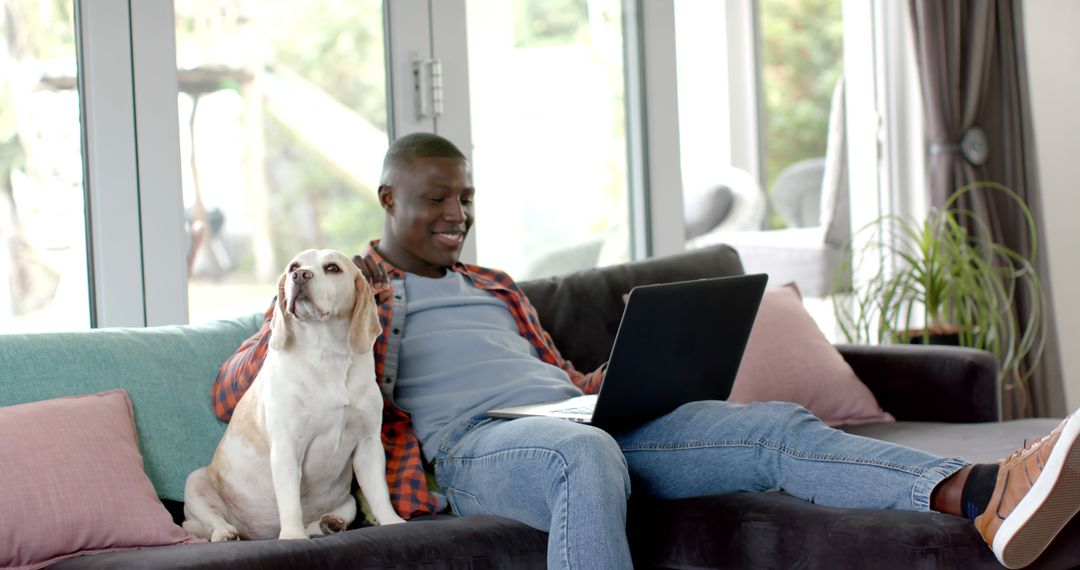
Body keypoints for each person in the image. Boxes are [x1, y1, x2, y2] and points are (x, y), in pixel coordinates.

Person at [212, 132, 1079, 569]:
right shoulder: (350, 288)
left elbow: (555, 379)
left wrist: (634, 375)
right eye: (437, 199)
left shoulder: (494, 285)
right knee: (580, 451)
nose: (457, 214)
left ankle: (979, 494)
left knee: (772, 424)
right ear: (388, 199)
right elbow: (238, 393)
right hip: (474, 451)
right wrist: (299, 304)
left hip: (572, 418)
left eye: (465, 198)